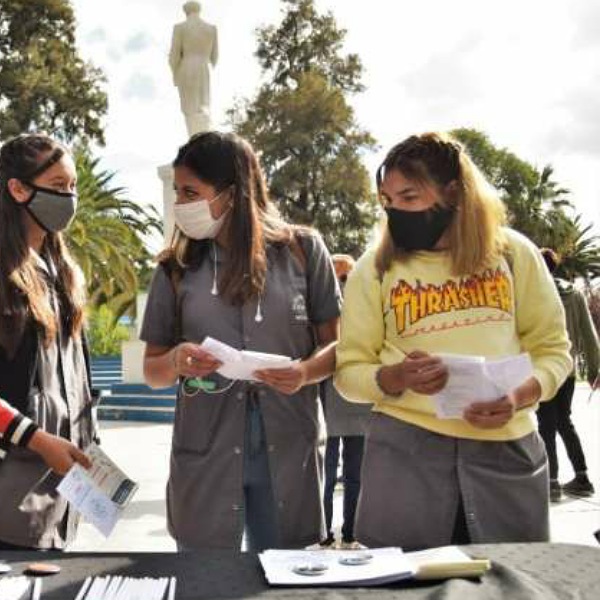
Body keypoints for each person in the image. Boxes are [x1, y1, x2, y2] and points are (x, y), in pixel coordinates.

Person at [335, 132, 572, 550]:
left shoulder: (515, 254)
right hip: (404, 461)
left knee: (511, 584)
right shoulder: (373, 269)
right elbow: (349, 372)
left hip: (508, 455)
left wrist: (520, 395)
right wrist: (394, 377)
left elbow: (553, 351)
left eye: (409, 197)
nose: (396, 212)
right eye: (387, 201)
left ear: (453, 192)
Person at [141, 131, 342, 551]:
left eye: (191, 192)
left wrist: (305, 372)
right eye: (178, 192)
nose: (181, 203)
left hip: (288, 446)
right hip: (206, 449)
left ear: (232, 193)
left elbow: (338, 348)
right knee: (204, 579)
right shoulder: (175, 269)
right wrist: (177, 360)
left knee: (288, 575)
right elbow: (153, 370)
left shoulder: (304, 251)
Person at [0, 133, 96, 551]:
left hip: (63, 470)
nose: (70, 198)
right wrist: (38, 440)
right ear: (18, 188)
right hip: (8, 472)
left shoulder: (60, 267)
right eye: (59, 187)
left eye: (73, 187)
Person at [537, 248, 599, 501]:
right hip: (569, 369)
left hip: (543, 369)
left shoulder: (535, 292)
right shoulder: (574, 294)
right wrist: (595, 369)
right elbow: (589, 335)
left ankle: (551, 481)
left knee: (546, 424)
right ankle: (582, 476)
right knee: (564, 421)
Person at [319, 253, 370, 549]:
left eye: (346, 278)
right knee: (325, 478)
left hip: (358, 404)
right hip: (327, 403)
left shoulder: (363, 309)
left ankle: (351, 531)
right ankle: (324, 531)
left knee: (355, 476)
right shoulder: (323, 307)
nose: (341, 284)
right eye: (336, 278)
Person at [168, 1, 218, 135]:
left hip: (187, 66)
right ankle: (203, 138)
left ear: (186, 11)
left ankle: (195, 140)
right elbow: (215, 57)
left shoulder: (180, 28)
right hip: (205, 68)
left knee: (190, 110)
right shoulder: (211, 28)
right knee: (203, 107)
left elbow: (174, 56)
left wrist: (175, 74)